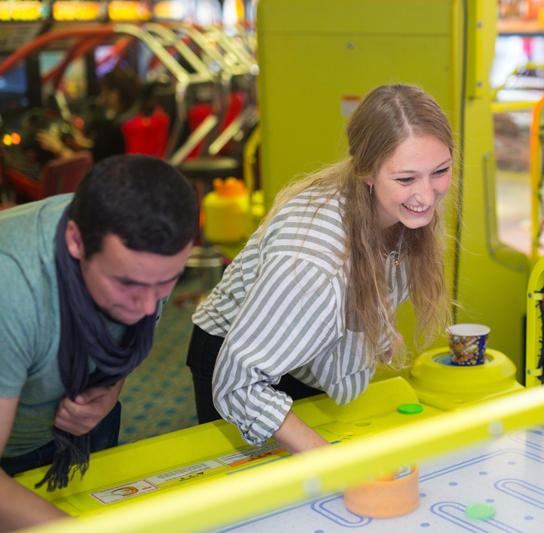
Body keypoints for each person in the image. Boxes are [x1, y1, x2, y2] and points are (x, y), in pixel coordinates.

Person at [187, 84, 454, 454]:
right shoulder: (313, 263)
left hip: (300, 357)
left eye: (440, 171)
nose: (426, 195)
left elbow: (370, 281)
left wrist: (376, 333)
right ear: (367, 172)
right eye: (406, 179)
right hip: (237, 361)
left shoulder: (397, 207)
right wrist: (333, 464)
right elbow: (238, 385)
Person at [0, 155, 198, 531]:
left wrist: (108, 394)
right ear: (76, 242)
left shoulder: (147, 259)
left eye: (167, 282)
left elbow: (122, 344)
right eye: (127, 283)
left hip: (77, 435)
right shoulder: (12, 287)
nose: (148, 306)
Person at [36, 67, 141, 163]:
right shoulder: (130, 119)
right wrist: (82, 141)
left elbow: (88, 165)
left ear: (114, 95)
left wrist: (57, 147)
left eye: (103, 91)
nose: (101, 96)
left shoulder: (114, 129)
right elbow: (102, 151)